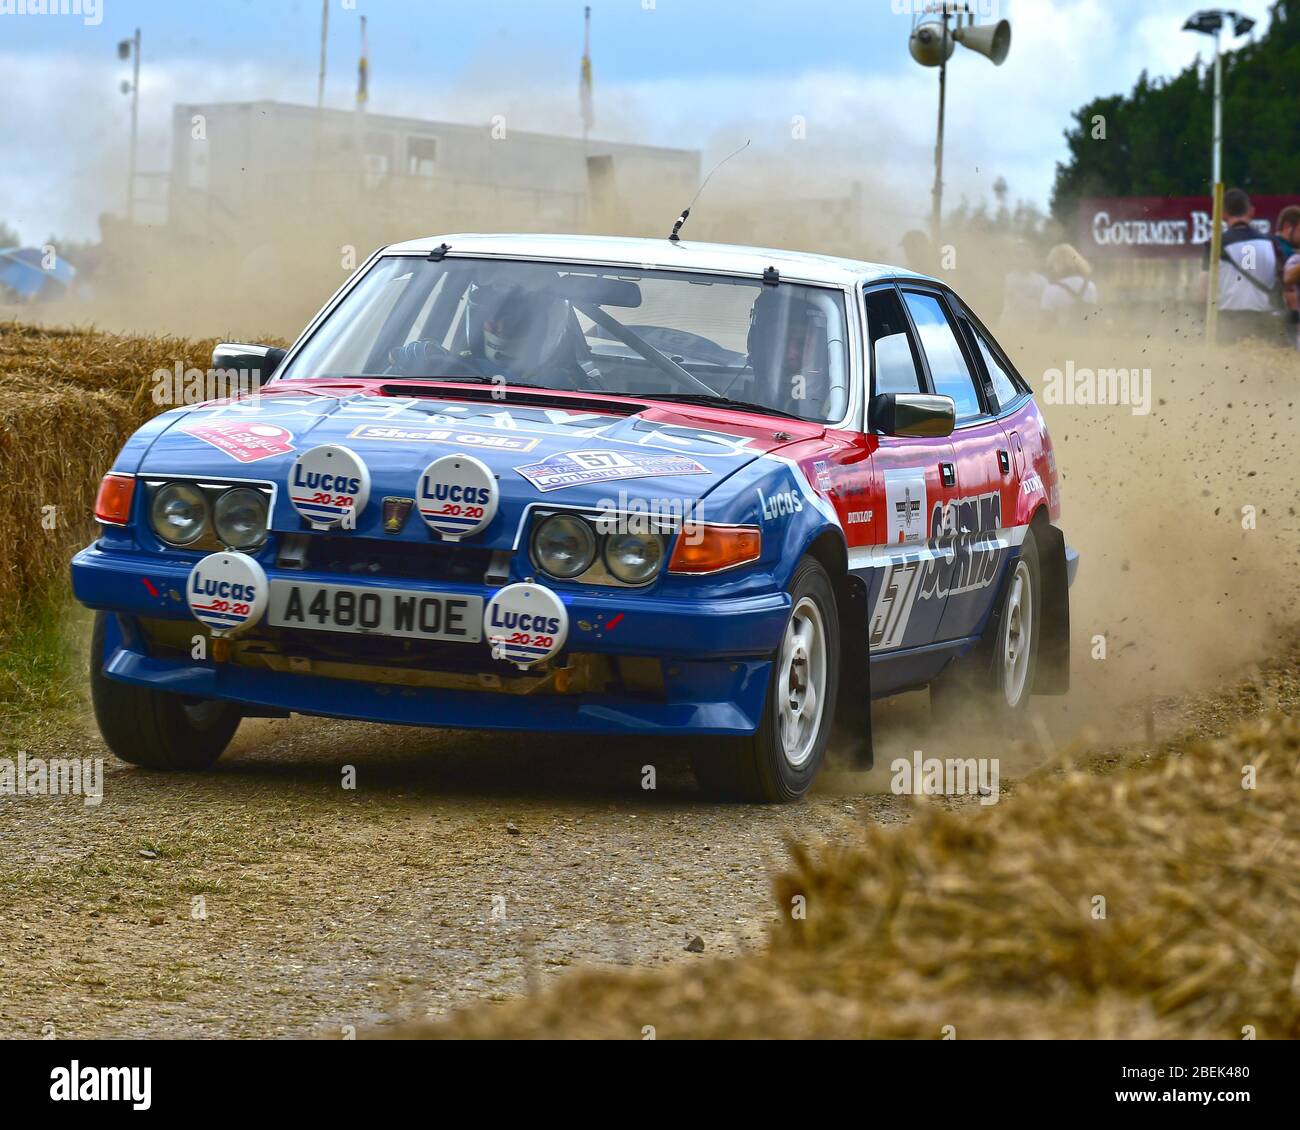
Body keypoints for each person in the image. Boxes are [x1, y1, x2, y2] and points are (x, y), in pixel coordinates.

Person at [1201, 188, 1288, 346]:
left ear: (1223, 215)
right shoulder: (1272, 243)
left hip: (1228, 322)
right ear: (1252, 211)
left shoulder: (1215, 244)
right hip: (1265, 321)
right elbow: (1284, 284)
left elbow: (1203, 290)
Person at [1040, 243, 1098, 330]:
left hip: (1063, 340)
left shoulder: (1051, 289)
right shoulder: (1090, 286)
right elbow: (1093, 317)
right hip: (1087, 338)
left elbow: (1045, 323)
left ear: (1055, 264)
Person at [1001, 239, 1048, 329]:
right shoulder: (1009, 278)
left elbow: (1043, 306)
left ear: (1033, 257)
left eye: (1026, 254)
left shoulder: (1041, 280)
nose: (1022, 258)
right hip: (1010, 325)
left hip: (1033, 325)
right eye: (1019, 254)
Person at [1277, 204, 1300, 349]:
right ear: (1288, 226)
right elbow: (1288, 284)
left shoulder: (1268, 244)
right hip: (1285, 320)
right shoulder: (1287, 253)